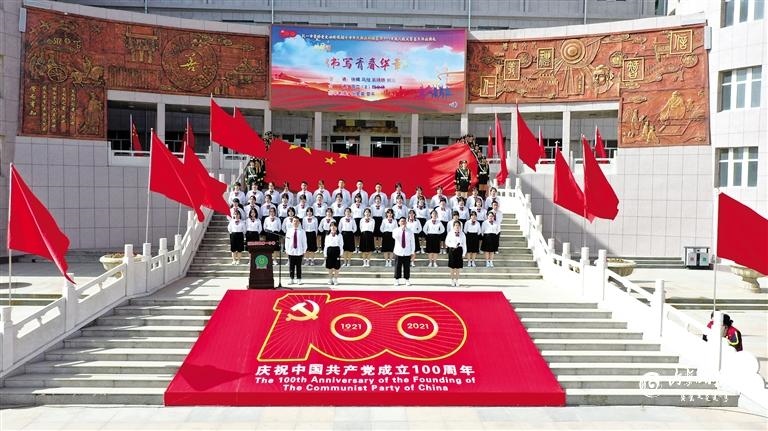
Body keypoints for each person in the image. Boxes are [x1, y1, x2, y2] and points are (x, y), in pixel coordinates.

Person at [392, 217, 415, 286]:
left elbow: (412, 242)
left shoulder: (410, 231)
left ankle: (407, 279)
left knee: (407, 267)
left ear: (406, 222)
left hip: (407, 251)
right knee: (397, 266)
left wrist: (412, 251)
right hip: (398, 251)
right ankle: (396, 279)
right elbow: (394, 236)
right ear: (399, 222)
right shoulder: (396, 230)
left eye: (404, 221)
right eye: (401, 221)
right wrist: (401, 230)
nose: (403, 222)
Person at [284, 217, 307, 285]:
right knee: (291, 266)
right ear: (292, 222)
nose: (295, 222)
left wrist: (304, 250)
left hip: (299, 251)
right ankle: (291, 278)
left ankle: (299, 279)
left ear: (299, 222)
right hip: (291, 250)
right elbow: (287, 241)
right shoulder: (289, 231)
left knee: (298, 266)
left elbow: (304, 241)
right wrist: (286, 249)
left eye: (297, 221)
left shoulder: (302, 231)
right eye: (294, 221)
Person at [445, 220, 467, 286]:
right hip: (452, 250)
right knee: (452, 267)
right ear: (453, 226)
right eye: (456, 225)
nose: (457, 227)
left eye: (458, 225)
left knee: (458, 267)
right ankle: (452, 280)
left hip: (459, 250)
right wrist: (453, 245)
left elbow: (464, 244)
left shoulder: (462, 234)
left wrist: (464, 253)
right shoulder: (450, 233)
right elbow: (447, 242)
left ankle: (457, 280)